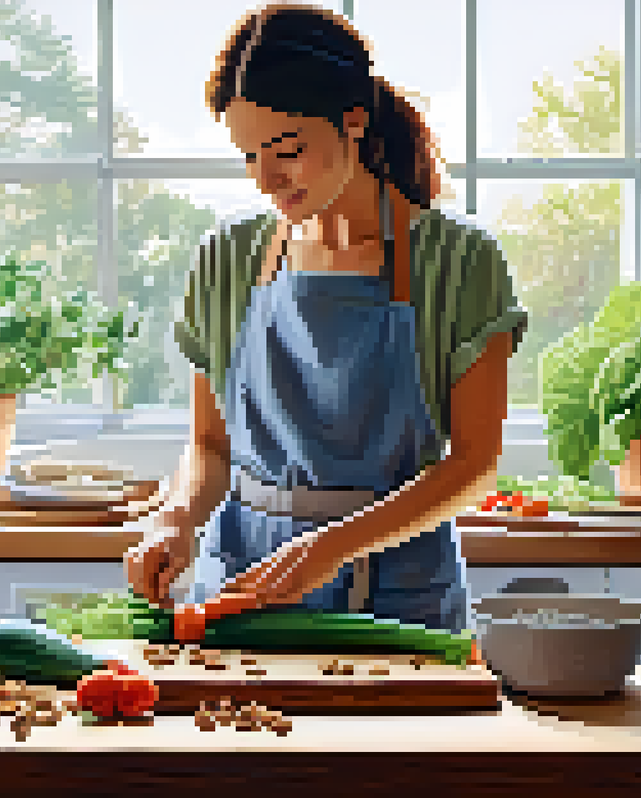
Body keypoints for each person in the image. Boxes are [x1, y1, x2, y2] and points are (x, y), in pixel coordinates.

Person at [124, 3, 529, 634]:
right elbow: (210, 446)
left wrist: (333, 547)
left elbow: (473, 466)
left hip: (400, 598)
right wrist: (177, 517)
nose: (265, 179)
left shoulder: (460, 262)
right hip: (239, 586)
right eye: (248, 155)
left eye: (286, 150)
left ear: (353, 124)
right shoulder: (228, 258)